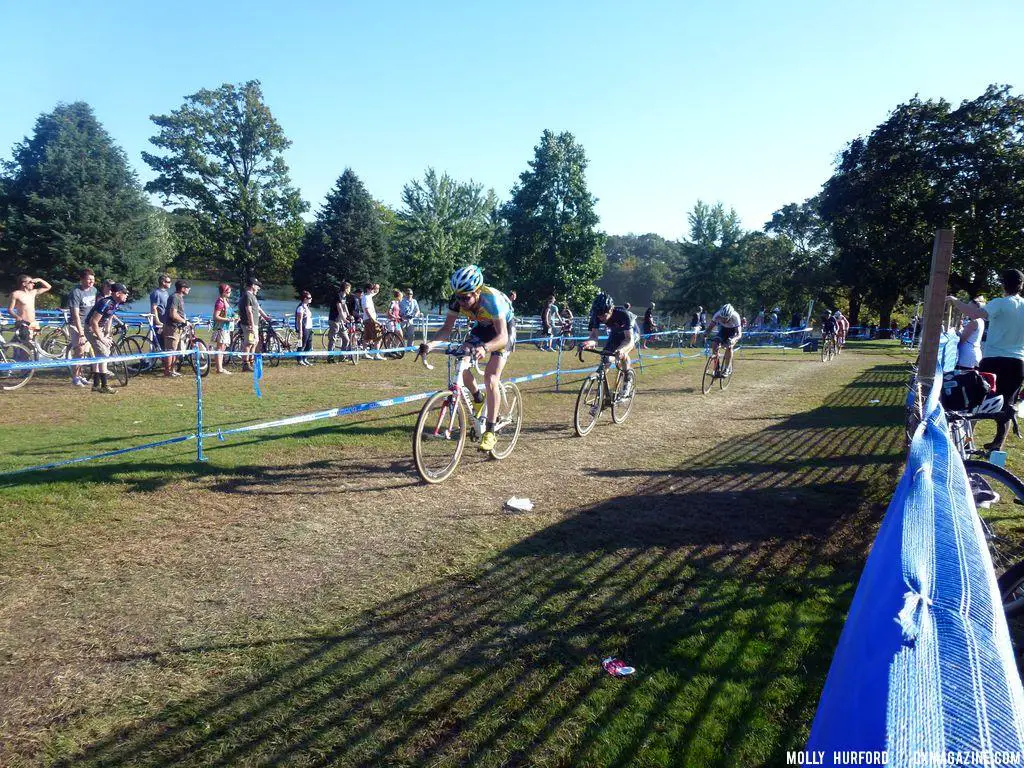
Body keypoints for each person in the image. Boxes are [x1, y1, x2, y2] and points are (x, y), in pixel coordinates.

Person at [419, 264, 515, 452]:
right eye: (458, 296)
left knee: (491, 378)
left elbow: (502, 337)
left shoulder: (491, 300)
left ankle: (490, 431)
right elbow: (446, 330)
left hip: (503, 331)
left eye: (466, 297)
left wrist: (485, 348)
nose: (461, 301)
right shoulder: (458, 301)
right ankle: (478, 398)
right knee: (461, 360)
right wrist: (429, 345)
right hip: (482, 327)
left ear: (477, 292)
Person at [948, 270, 1024, 450]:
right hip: (1018, 362)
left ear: (1003, 284)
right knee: (1007, 406)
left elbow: (974, 313)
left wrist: (954, 300)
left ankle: (967, 439)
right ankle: (998, 444)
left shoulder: (1000, 303)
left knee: (976, 400)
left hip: (994, 360)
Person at [84, 283, 128, 394]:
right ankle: (104, 385)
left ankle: (95, 385)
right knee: (103, 354)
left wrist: (107, 332)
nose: (127, 296)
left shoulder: (115, 303)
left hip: (100, 328)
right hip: (91, 328)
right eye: (125, 293)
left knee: (102, 355)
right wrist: (101, 338)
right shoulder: (106, 302)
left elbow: (110, 316)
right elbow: (93, 322)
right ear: (117, 293)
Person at [583, 293, 637, 383]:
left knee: (622, 352)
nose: (600, 318)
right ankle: (603, 388)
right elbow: (593, 338)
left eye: (603, 315)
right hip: (616, 332)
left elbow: (629, 340)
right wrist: (586, 343)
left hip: (631, 333)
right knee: (606, 358)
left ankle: (628, 378)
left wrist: (621, 350)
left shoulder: (624, 315)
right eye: (598, 315)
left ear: (611, 309)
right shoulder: (596, 315)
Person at [67, 269, 97, 387]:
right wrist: (81, 333)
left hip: (88, 324)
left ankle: (81, 375)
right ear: (82, 279)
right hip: (77, 325)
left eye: (93, 280)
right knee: (79, 351)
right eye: (89, 279)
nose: (91, 282)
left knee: (85, 352)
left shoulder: (94, 291)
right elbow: (75, 315)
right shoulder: (76, 292)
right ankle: (75, 377)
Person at [237, 278, 271, 371]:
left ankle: (251, 362)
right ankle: (245, 364)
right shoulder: (247, 295)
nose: (258, 288)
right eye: (257, 285)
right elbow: (249, 311)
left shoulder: (253, 296)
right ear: (252, 285)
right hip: (249, 325)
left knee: (255, 342)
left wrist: (266, 317)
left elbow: (258, 308)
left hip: (254, 324)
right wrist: (251, 325)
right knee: (249, 343)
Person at [8, 274, 52, 343]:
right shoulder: (16, 294)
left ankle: (7, 347)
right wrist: (17, 316)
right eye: (31, 282)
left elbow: (48, 287)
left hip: (33, 323)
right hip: (23, 323)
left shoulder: (33, 292)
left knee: (34, 346)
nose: (33, 284)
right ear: (24, 283)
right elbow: (10, 309)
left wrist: (40, 280)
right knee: (24, 345)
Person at [162, 279, 190, 377]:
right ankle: (167, 371)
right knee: (170, 350)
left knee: (176, 350)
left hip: (178, 328)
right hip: (172, 327)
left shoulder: (179, 297)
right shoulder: (175, 297)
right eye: (187, 288)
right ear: (182, 288)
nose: (189, 289)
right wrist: (184, 321)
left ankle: (172, 370)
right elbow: (173, 314)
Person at [708, 303, 742, 377]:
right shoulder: (717, 314)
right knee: (714, 343)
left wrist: (733, 340)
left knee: (729, 346)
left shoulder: (735, 316)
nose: (724, 320)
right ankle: (717, 368)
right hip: (723, 330)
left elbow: (739, 334)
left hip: (733, 331)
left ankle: (727, 369)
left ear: (730, 316)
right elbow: (710, 326)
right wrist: (705, 334)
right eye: (722, 318)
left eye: (726, 318)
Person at [955, 297, 986, 370]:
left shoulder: (974, 322)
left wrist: (956, 332)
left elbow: (962, 340)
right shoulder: (981, 321)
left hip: (967, 358)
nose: (967, 310)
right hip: (974, 354)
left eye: (970, 308)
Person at [211, 283, 235, 374]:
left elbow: (231, 313)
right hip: (221, 328)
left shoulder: (226, 301)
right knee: (220, 348)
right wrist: (227, 319)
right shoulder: (220, 302)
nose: (230, 293)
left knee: (223, 347)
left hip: (226, 328)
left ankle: (220, 367)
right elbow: (215, 316)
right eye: (228, 292)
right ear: (224, 292)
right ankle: (219, 368)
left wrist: (235, 316)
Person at [327, 283, 353, 361]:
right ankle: (330, 357)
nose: (350, 290)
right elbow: (340, 309)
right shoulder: (337, 296)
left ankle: (342, 357)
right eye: (349, 288)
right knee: (333, 339)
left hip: (340, 321)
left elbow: (345, 307)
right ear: (345, 288)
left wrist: (349, 316)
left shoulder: (344, 297)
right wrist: (345, 319)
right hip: (334, 320)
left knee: (346, 339)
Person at [361, 283, 384, 360]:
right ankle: (376, 354)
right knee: (378, 336)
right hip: (370, 320)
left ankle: (364, 353)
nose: (373, 290)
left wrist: (377, 287)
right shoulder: (366, 298)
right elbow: (367, 310)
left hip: (367, 320)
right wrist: (374, 320)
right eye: (372, 289)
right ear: (368, 289)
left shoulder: (367, 296)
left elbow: (375, 292)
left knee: (367, 338)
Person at [149, 274, 172, 349]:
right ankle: (149, 359)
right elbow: (154, 308)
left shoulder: (165, 292)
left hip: (165, 321)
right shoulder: (156, 293)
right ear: (163, 282)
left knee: (164, 343)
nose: (170, 283)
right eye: (169, 282)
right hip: (159, 322)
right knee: (158, 343)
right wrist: (157, 321)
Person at [293, 290, 315, 366]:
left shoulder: (307, 307)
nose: (311, 299)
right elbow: (299, 321)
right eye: (309, 298)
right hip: (303, 329)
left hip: (309, 328)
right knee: (301, 344)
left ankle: (305, 358)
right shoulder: (300, 308)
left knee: (309, 345)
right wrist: (300, 331)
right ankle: (299, 360)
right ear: (305, 298)